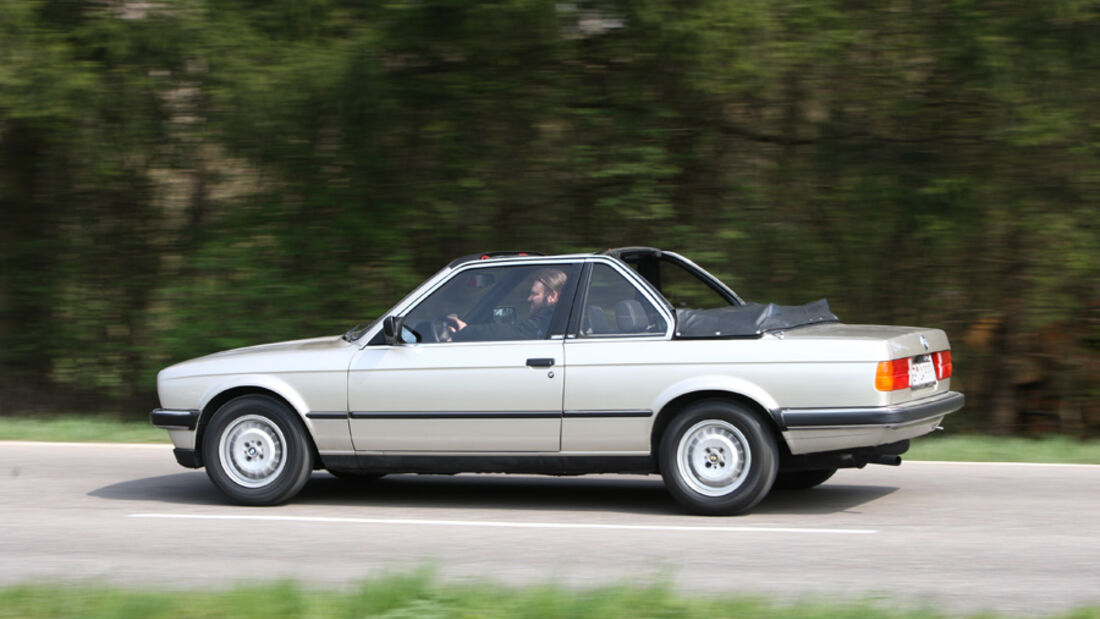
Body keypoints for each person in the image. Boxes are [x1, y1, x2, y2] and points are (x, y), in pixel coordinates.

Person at [447, 268, 567, 341]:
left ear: (552, 296)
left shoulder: (548, 322)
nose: (528, 299)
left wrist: (465, 331)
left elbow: (514, 331)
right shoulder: (563, 319)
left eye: (534, 294)